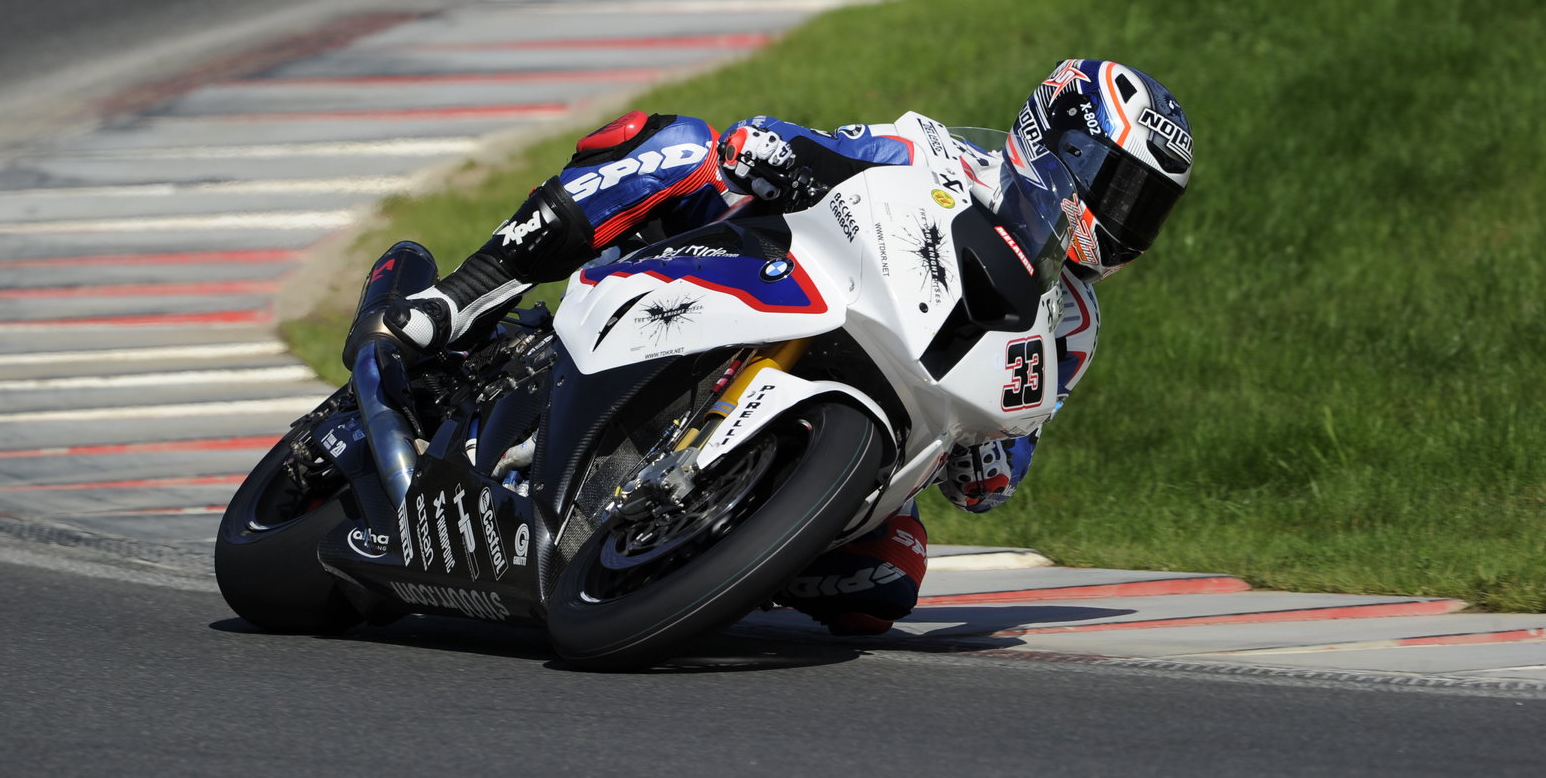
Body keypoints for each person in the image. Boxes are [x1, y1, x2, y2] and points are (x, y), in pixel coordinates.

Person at [353, 58, 1194, 635]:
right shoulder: (937, 151)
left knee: (885, 582)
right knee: (677, 146)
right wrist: (780, 152)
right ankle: (459, 296)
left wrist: (988, 463)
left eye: (1146, 206)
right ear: (1059, 144)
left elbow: (1009, 459)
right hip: (769, 278)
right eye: (1120, 188)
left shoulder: (1072, 327)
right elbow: (831, 149)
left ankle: (701, 551)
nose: (1127, 221)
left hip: (889, 415)